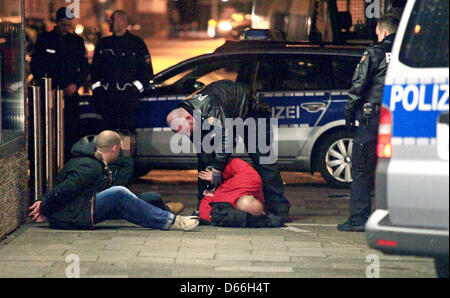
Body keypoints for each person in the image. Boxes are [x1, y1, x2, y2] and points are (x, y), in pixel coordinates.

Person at [166, 80, 291, 220]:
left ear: (189, 118)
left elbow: (228, 139)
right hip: (228, 112)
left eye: (188, 131)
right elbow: (205, 157)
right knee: (205, 165)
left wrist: (218, 169)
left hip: (251, 111)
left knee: (264, 160)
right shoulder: (185, 116)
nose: (189, 136)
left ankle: (279, 208)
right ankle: (203, 207)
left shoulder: (210, 108)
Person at [28, 130, 197, 231]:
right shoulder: (89, 166)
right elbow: (63, 190)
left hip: (81, 207)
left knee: (148, 198)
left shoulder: (95, 161)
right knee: (120, 194)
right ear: (115, 148)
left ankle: (165, 210)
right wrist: (44, 206)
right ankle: (171, 221)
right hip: (74, 216)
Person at [337, 15, 399, 232]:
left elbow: (359, 84)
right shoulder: (409, 52)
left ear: (382, 32)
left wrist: (349, 110)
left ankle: (358, 219)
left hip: (373, 118)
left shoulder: (374, 52)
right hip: (401, 119)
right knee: (395, 169)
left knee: (362, 168)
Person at [30, 6, 90, 161]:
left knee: (71, 131)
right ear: (57, 22)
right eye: (63, 25)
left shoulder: (76, 42)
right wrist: (47, 86)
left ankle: (68, 162)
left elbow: (83, 68)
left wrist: (76, 84)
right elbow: (36, 65)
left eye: (69, 25)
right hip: (49, 94)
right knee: (48, 131)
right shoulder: (45, 39)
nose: (66, 28)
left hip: (70, 95)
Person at [91, 10, 154, 132]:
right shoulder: (104, 44)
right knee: (108, 139)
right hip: (107, 103)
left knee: (126, 139)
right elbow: (95, 71)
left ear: (122, 22)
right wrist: (98, 91)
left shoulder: (137, 44)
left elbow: (147, 72)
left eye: (112, 20)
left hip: (128, 104)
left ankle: (126, 152)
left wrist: (134, 90)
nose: (110, 23)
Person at [198, 158, 284, 228]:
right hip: (215, 185)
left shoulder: (253, 181)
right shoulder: (224, 207)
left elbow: (236, 163)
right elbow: (205, 215)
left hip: (213, 183)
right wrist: (217, 180)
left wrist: (217, 178)